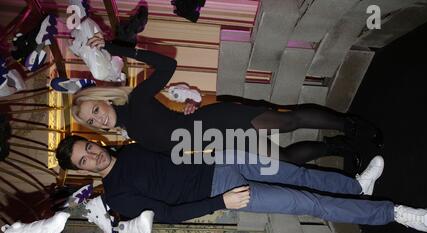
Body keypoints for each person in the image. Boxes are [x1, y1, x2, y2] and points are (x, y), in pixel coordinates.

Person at [70, 33, 383, 168]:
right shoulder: (127, 138)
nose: (97, 119)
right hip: (222, 143)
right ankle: (338, 146)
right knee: (285, 159)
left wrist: (116, 48)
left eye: (95, 110)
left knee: (289, 121)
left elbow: (168, 66)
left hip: (220, 121)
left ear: (104, 99)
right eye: (90, 121)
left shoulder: (136, 99)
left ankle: (351, 124)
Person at [55, 135, 427, 233]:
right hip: (228, 194)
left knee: (301, 174)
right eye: (84, 160)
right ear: (82, 170)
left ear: (96, 142)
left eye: (89, 147)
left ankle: (359, 188)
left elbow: (175, 146)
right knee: (308, 203)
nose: (93, 156)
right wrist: (219, 200)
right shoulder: (118, 196)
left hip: (225, 162)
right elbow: (169, 215)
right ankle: (393, 213)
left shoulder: (132, 151)